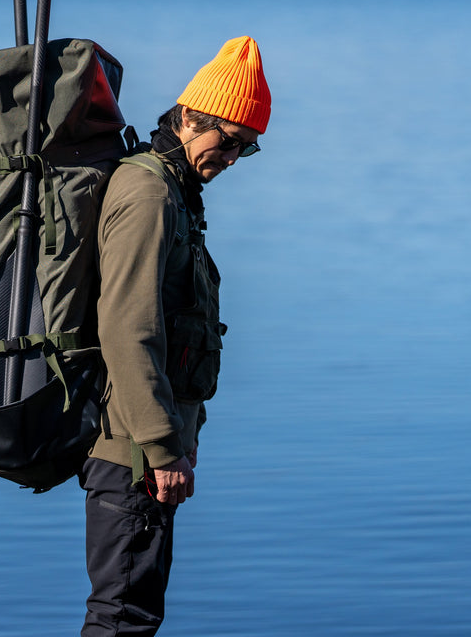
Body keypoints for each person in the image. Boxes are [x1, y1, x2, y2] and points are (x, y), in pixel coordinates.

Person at [79, 36, 271, 636]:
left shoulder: (176, 191)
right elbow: (128, 328)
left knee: (132, 613)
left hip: (148, 448)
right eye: (227, 140)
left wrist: (178, 441)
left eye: (247, 148)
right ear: (189, 117)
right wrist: (163, 449)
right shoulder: (150, 193)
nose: (232, 159)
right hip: (132, 452)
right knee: (123, 618)